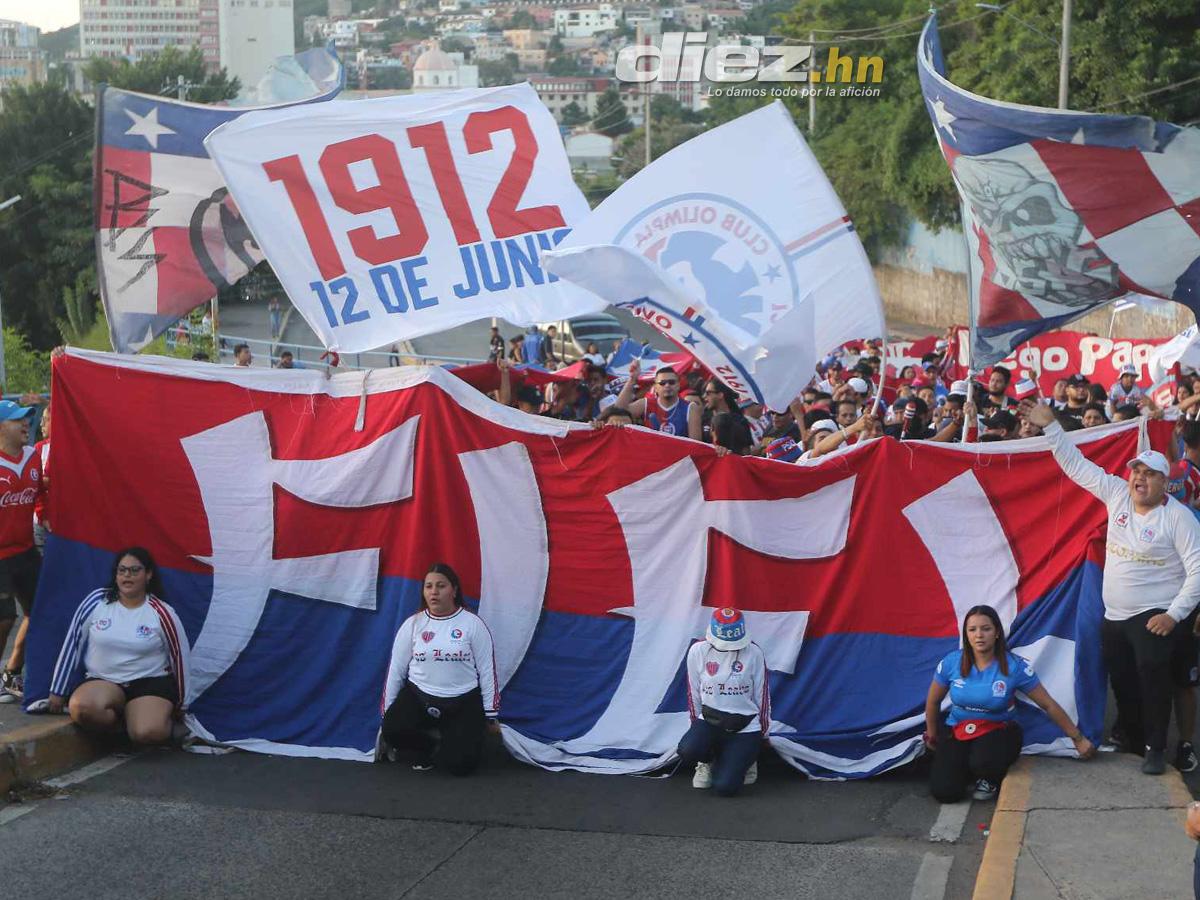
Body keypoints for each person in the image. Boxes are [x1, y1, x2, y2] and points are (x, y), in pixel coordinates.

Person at [1026, 400, 1200, 774]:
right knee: (1122, 683)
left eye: (1149, 474)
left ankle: (1156, 748)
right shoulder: (1117, 494)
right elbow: (1076, 466)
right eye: (1135, 471)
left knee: (1155, 684)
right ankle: (1134, 741)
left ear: (1164, 481)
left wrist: (1173, 616)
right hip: (1114, 618)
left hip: (1155, 617)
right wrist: (1052, 428)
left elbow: (1198, 572)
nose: (1139, 478)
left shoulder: (1179, 518)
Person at [925, 605, 1094, 802]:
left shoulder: (1014, 666)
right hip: (958, 729)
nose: (979, 635)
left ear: (997, 632)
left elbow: (1047, 704)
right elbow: (933, 702)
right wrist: (932, 736)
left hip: (998, 731)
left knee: (983, 761)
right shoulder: (951, 662)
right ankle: (964, 767)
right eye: (972, 630)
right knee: (945, 793)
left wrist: (1078, 738)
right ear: (966, 634)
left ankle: (989, 777)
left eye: (986, 629)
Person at [47, 547, 190, 745]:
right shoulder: (97, 601)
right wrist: (58, 690)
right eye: (121, 570)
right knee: (82, 708)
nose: (127, 576)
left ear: (148, 574)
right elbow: (73, 643)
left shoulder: (162, 612)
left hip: (148, 683)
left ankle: (153, 721)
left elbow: (180, 658)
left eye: (134, 570)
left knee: (147, 732)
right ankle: (122, 724)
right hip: (104, 681)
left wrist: (183, 704)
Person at [381, 563, 499, 775]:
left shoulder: (472, 624)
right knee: (392, 730)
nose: (434, 592)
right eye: (428, 586)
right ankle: (428, 744)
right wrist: (388, 711)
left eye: (441, 586)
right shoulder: (413, 624)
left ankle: (455, 741)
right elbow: (396, 670)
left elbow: (487, 670)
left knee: (459, 766)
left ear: (454, 590)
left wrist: (491, 713)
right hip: (419, 696)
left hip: (462, 700)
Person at [678, 608, 770, 796]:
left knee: (725, 788)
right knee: (687, 750)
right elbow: (693, 691)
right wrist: (695, 726)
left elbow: (762, 695)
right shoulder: (698, 651)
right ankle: (707, 760)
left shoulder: (754, 652)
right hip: (711, 720)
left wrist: (763, 733)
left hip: (745, 724)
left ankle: (747, 759)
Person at [0, 400, 44, 703]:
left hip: (26, 551)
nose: (26, 424)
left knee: (39, 612)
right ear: (2, 427)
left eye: (27, 419)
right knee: (3, 619)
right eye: (18, 420)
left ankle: (12, 672)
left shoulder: (33, 456)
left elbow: (41, 491)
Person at [615, 361, 702, 440]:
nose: (667, 386)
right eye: (662, 383)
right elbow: (618, 411)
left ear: (678, 385)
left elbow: (696, 445)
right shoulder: (646, 403)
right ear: (655, 388)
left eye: (671, 382)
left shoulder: (691, 408)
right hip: (652, 455)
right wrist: (632, 379)